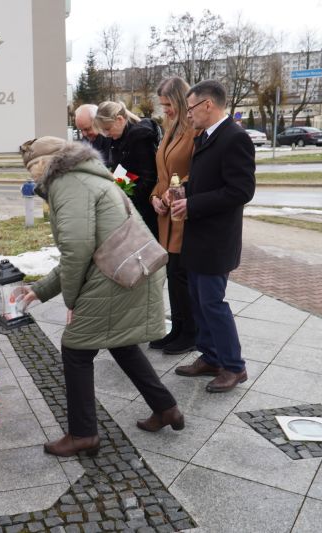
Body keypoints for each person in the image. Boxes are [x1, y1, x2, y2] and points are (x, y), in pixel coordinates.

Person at [16, 136, 184, 457]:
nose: (31, 175)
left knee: (76, 349)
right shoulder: (84, 176)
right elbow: (79, 252)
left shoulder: (66, 182)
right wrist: (39, 291)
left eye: (32, 166)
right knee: (121, 342)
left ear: (47, 162)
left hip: (112, 276)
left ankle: (83, 434)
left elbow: (76, 248)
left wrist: (72, 302)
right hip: (128, 269)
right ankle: (166, 409)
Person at [171, 80, 255, 393]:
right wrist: (182, 192)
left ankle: (234, 366)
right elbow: (207, 182)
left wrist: (193, 203)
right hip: (198, 234)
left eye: (190, 107)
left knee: (213, 302)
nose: (187, 114)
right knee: (198, 300)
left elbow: (241, 190)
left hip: (217, 239)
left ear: (208, 105)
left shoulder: (235, 137)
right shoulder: (206, 136)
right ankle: (210, 357)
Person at [148, 77, 199, 355]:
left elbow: (196, 172)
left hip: (183, 214)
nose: (164, 110)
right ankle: (178, 328)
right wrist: (156, 196)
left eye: (168, 104)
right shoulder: (170, 130)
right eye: (162, 105)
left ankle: (190, 332)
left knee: (182, 275)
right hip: (167, 216)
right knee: (172, 273)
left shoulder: (193, 131)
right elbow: (163, 174)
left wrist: (172, 193)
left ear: (180, 101)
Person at [96, 101, 161, 238]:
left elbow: (148, 180)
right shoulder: (119, 137)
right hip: (133, 207)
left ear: (120, 120)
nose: (105, 134)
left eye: (107, 129)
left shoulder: (139, 138)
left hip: (145, 211)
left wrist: (122, 189)